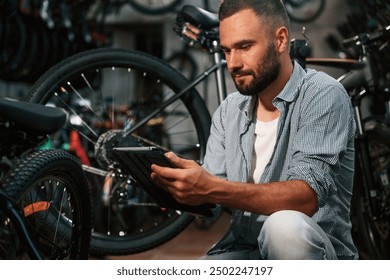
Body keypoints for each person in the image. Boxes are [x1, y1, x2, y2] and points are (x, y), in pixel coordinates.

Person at [151, 0, 358, 260]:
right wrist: (179, 191)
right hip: (243, 250)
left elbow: (305, 198)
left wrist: (211, 187)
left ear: (281, 40)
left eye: (244, 47)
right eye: (227, 51)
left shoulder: (322, 94)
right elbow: (212, 199)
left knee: (284, 227)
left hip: (314, 255)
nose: (233, 63)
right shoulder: (230, 110)